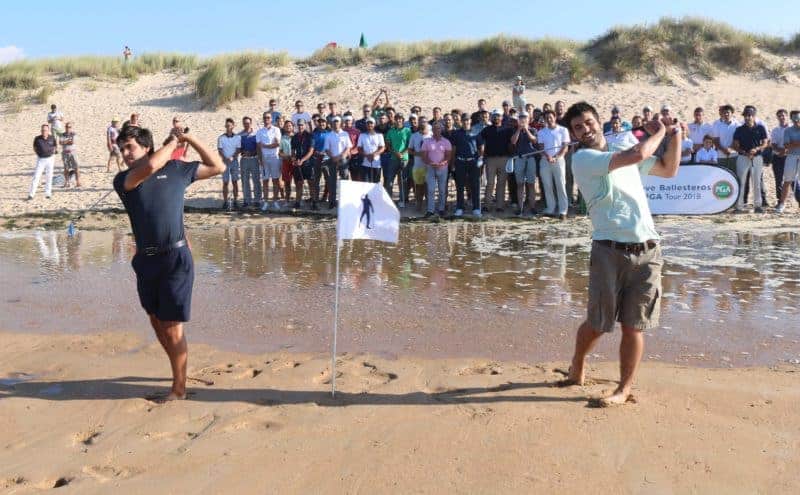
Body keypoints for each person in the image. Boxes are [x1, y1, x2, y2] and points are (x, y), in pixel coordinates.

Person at [559, 101, 681, 407]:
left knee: (634, 325)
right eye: (577, 127)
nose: (585, 130)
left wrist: (675, 134)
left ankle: (624, 388)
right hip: (608, 250)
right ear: (573, 134)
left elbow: (669, 170)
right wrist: (660, 132)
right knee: (598, 323)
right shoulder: (584, 159)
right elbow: (639, 154)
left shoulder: (622, 150)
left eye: (588, 122)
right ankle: (577, 364)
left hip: (648, 250)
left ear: (598, 121)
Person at [113, 124, 224, 401]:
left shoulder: (177, 170)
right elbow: (150, 167)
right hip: (145, 260)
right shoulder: (124, 179)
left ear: (146, 146)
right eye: (122, 148)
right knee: (155, 320)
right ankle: (179, 368)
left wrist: (189, 137)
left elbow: (218, 166)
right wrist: (174, 142)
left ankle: (179, 389)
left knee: (172, 327)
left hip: (175, 258)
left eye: (130, 147)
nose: (125, 153)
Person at [732, 107, 768, 213]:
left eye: (749, 115)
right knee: (741, 181)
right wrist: (745, 152)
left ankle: (758, 206)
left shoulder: (760, 128)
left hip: (757, 157)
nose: (747, 118)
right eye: (745, 116)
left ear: (754, 116)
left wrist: (756, 149)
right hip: (743, 157)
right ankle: (739, 206)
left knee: (757, 182)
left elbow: (765, 143)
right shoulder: (739, 129)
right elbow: (735, 145)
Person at [537, 110, 571, 219]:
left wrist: (556, 157)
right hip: (545, 161)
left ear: (554, 117)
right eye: (546, 118)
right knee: (547, 185)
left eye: (550, 117)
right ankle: (550, 208)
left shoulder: (563, 130)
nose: (549, 119)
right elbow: (541, 147)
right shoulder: (541, 132)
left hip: (559, 160)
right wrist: (548, 157)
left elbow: (565, 147)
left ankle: (563, 211)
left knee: (560, 185)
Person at [451, 113, 483, 217]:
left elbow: (481, 147)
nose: (466, 122)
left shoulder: (476, 132)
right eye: (464, 120)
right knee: (460, 186)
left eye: (467, 120)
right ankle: (460, 208)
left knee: (475, 185)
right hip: (460, 162)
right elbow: (454, 149)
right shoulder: (456, 133)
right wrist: (452, 163)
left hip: (473, 162)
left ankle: (476, 208)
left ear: (470, 121)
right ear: (461, 121)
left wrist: (480, 159)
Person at [481, 110, 512, 212]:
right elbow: (480, 142)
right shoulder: (486, 130)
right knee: (490, 183)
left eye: (498, 116)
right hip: (490, 159)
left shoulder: (507, 129)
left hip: (504, 159)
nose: (496, 118)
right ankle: (487, 205)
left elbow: (511, 144)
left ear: (502, 117)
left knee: (501, 183)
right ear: (491, 117)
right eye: (494, 116)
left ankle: (500, 206)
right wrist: (482, 156)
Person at [422, 122, 452, 217]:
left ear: (441, 130)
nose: (436, 130)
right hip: (430, 168)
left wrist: (442, 163)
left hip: (442, 168)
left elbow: (448, 155)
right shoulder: (427, 141)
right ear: (432, 130)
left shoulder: (446, 142)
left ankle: (441, 209)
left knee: (442, 190)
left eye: (438, 128)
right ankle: (430, 210)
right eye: (434, 129)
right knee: (431, 190)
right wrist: (431, 163)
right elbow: (424, 156)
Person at [510, 112, 537, 216]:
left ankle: (532, 207)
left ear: (528, 119)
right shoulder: (515, 130)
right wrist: (519, 130)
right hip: (519, 158)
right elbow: (513, 141)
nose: (523, 120)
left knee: (531, 184)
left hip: (530, 158)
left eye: (525, 118)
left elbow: (534, 141)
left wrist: (526, 130)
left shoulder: (533, 130)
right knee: (520, 184)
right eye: (521, 118)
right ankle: (520, 208)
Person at [322, 116, 351, 209]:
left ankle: (345, 201)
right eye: (334, 122)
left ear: (340, 123)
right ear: (331, 124)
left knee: (345, 180)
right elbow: (327, 149)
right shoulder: (328, 135)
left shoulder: (345, 134)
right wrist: (333, 157)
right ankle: (332, 202)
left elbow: (348, 147)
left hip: (343, 160)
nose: (336, 123)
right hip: (333, 159)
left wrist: (341, 156)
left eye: (337, 122)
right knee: (332, 181)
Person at [776, 111, 800, 214]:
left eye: (798, 118)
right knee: (787, 181)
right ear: (791, 119)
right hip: (791, 157)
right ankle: (782, 204)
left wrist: (793, 143)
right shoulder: (788, 130)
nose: (797, 120)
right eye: (794, 118)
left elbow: (791, 144)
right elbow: (786, 145)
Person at [257, 112, 282, 211]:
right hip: (264, 159)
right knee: (265, 181)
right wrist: (260, 159)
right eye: (265, 118)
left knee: (275, 180)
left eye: (268, 117)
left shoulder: (276, 130)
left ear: (271, 119)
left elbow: (277, 144)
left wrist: (265, 145)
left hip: (274, 158)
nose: (266, 119)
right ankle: (266, 202)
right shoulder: (259, 132)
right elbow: (258, 147)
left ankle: (275, 201)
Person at [386, 113, 412, 207]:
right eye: (397, 119)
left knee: (402, 180)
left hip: (404, 158)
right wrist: (395, 152)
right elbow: (388, 144)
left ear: (403, 120)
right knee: (390, 180)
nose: (398, 120)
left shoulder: (407, 131)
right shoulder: (391, 131)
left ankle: (402, 200)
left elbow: (409, 144)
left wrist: (402, 153)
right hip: (393, 158)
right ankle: (389, 200)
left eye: (400, 119)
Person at [217, 118, 241, 211]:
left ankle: (235, 201)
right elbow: (220, 150)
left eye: (230, 126)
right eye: (227, 126)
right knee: (225, 182)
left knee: (235, 181)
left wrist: (233, 157)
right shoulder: (221, 138)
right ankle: (225, 201)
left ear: (233, 126)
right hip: (224, 162)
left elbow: (238, 149)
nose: (228, 127)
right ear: (225, 126)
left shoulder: (237, 137)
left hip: (234, 161)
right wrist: (225, 158)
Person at [28, 124, 57, 200]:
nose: (44, 132)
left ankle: (48, 193)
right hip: (41, 159)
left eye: (45, 130)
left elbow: (55, 146)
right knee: (36, 176)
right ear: (41, 131)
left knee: (49, 176)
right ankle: (31, 194)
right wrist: (38, 154)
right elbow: (34, 148)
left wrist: (53, 153)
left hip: (50, 159)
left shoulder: (52, 138)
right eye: (43, 130)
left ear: (48, 131)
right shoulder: (37, 139)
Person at [291, 119, 314, 208]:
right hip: (298, 163)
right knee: (299, 183)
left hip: (308, 163)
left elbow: (311, 151)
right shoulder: (294, 137)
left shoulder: (310, 136)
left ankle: (313, 202)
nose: (300, 126)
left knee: (311, 182)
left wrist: (302, 160)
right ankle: (298, 202)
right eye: (299, 125)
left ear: (305, 125)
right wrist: (294, 159)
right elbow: (293, 151)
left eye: (302, 125)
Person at [238, 116, 261, 208]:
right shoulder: (240, 135)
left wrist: (252, 152)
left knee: (256, 180)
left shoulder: (256, 133)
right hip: (244, 160)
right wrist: (243, 151)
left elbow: (259, 147)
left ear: (251, 123)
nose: (246, 125)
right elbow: (238, 148)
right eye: (244, 123)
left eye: (248, 123)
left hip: (254, 159)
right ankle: (247, 200)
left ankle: (257, 200)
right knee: (245, 181)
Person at [409, 118, 431, 211]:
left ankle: (429, 206)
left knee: (428, 186)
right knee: (418, 187)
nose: (423, 124)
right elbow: (409, 150)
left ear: (427, 124)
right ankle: (419, 204)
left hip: (429, 166)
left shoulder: (431, 135)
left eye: (424, 122)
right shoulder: (414, 136)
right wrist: (418, 154)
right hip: (418, 165)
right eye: (421, 122)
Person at [712, 104, 739, 173]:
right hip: (721, 156)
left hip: (734, 155)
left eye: (728, 112)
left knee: (733, 175)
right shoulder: (717, 125)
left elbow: (738, 140)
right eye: (724, 112)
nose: (726, 114)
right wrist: (723, 150)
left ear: (732, 113)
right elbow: (715, 140)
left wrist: (730, 149)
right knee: (721, 175)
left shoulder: (737, 125)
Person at [357, 117, 385, 184]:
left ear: (374, 124)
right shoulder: (362, 135)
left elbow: (382, 147)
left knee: (376, 184)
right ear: (366, 125)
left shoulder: (379, 135)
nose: (370, 125)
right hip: (365, 163)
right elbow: (359, 148)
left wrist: (374, 155)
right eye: (368, 123)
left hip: (376, 163)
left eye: (371, 123)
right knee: (366, 184)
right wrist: (367, 156)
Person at [771, 109, 790, 202]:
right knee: (778, 180)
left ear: (787, 116)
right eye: (779, 116)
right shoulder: (775, 130)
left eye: (783, 115)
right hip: (777, 157)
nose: (782, 117)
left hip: (790, 157)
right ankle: (780, 201)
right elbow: (773, 144)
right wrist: (781, 151)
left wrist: (786, 150)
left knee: (793, 181)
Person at [311, 117, 330, 208]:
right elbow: (312, 147)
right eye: (320, 122)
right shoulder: (314, 134)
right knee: (316, 181)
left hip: (327, 160)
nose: (322, 124)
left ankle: (328, 199)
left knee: (329, 180)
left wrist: (325, 153)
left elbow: (332, 147)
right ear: (318, 124)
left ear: (326, 123)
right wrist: (317, 153)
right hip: (316, 160)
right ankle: (316, 200)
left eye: (323, 122)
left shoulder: (330, 134)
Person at [59, 122, 80, 188]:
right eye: (67, 127)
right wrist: (68, 141)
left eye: (69, 127)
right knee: (66, 168)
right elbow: (60, 142)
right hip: (65, 153)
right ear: (65, 127)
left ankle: (78, 182)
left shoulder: (74, 134)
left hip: (73, 152)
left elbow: (72, 142)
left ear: (71, 128)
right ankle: (66, 182)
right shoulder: (62, 134)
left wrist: (65, 142)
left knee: (76, 167)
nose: (68, 128)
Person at [279, 120, 295, 202]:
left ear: (293, 127)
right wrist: (286, 156)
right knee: (287, 181)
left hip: (296, 162)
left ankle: (298, 200)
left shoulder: (296, 137)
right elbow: (280, 152)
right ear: (284, 128)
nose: (288, 127)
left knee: (298, 181)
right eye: (286, 126)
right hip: (286, 161)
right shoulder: (282, 138)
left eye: (290, 125)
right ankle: (287, 199)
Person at [343, 115, 361, 181]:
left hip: (354, 155)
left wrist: (351, 152)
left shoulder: (357, 131)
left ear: (352, 121)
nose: (348, 122)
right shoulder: (341, 131)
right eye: (346, 120)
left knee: (355, 175)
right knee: (344, 175)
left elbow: (359, 144)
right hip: (344, 155)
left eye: (349, 120)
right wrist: (346, 153)